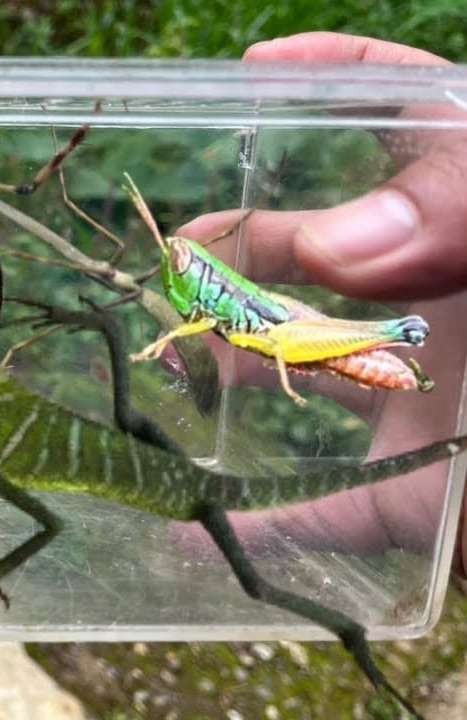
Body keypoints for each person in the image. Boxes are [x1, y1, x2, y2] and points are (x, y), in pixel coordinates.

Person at [170, 32, 467, 577]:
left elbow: (268, 339)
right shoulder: (216, 304)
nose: (178, 276)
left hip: (297, 336)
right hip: (283, 333)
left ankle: (399, 337)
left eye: (184, 268)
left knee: (283, 334)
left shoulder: (229, 304)